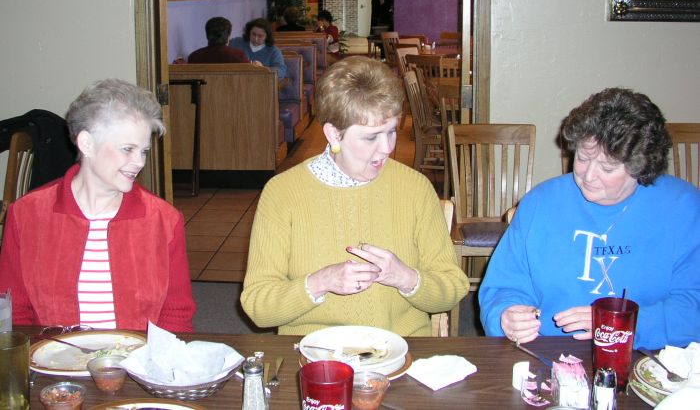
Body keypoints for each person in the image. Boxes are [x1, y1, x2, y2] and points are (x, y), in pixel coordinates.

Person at [240, 56, 469, 336]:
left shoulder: (415, 188)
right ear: (334, 135)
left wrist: (407, 278)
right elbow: (258, 307)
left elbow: (452, 289)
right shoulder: (283, 193)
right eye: (371, 137)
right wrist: (319, 282)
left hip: (400, 349)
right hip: (316, 354)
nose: (386, 148)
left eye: (391, 132)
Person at [478, 87, 700, 349]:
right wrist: (505, 315)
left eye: (607, 167)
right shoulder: (541, 203)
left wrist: (618, 326)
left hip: (648, 357)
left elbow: (691, 308)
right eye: (582, 158)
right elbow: (503, 286)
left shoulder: (683, 207)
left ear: (642, 166)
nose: (588, 175)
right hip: (548, 353)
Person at [0, 79, 197, 332]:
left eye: (144, 151)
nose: (138, 162)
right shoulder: (27, 214)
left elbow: (176, 314)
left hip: (135, 364)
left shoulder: (163, 220)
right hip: (53, 363)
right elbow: (14, 311)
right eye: (128, 149)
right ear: (87, 144)